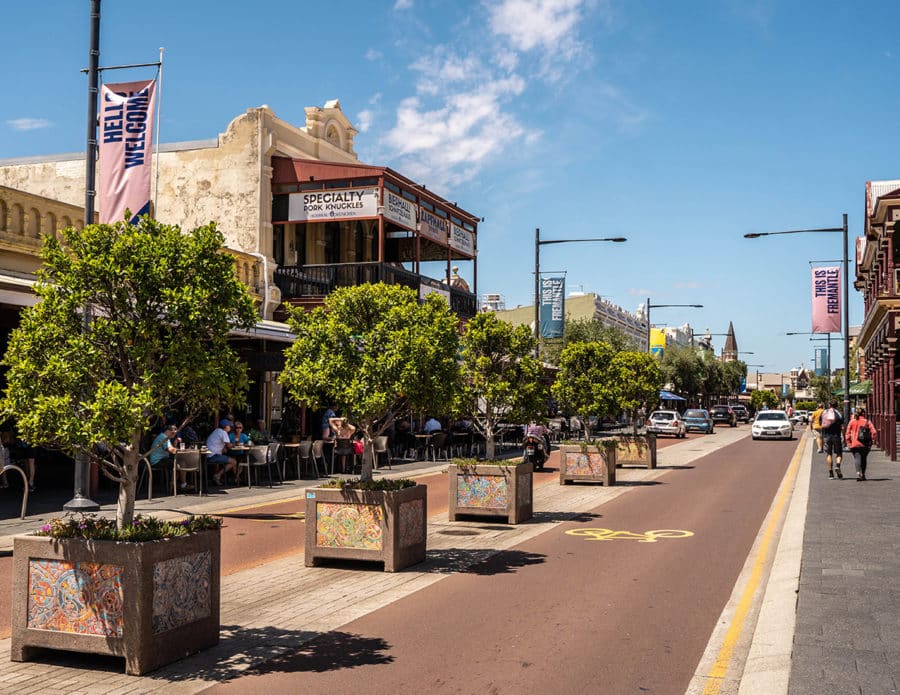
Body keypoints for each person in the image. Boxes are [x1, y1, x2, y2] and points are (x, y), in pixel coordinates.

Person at [149, 424, 190, 490]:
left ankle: (173, 485)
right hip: (158, 461)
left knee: (178, 463)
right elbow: (171, 450)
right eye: (173, 433)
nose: (174, 435)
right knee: (182, 463)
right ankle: (183, 485)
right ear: (169, 431)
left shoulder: (164, 436)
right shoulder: (164, 438)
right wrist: (183, 450)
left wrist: (175, 443)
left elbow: (171, 449)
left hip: (159, 459)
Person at [845, 407, 877, 481]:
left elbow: (847, 433)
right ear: (863, 413)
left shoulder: (852, 421)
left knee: (857, 458)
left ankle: (858, 473)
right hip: (865, 444)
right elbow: (874, 432)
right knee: (863, 459)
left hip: (854, 443)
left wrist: (848, 442)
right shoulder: (867, 421)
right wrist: (871, 441)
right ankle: (863, 474)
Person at [206, 419, 238, 486]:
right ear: (225, 426)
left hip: (209, 455)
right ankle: (218, 475)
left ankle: (218, 477)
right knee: (234, 462)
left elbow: (224, 449)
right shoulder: (223, 432)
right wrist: (234, 444)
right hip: (214, 455)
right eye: (229, 426)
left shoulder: (216, 431)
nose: (230, 427)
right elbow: (229, 446)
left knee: (224, 459)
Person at [820, 400, 844, 479]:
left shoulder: (824, 412)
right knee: (839, 453)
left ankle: (831, 474)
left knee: (829, 454)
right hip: (836, 436)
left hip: (826, 436)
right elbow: (842, 426)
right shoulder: (839, 414)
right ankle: (837, 465)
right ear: (837, 405)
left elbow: (821, 423)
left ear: (829, 405)